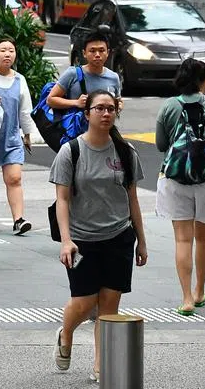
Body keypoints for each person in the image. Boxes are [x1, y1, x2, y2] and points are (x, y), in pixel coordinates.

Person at [51, 90, 146, 382]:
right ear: (87, 113)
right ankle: (65, 333)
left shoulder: (126, 152)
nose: (106, 114)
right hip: (82, 240)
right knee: (83, 301)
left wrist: (141, 240)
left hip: (118, 236)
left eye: (110, 109)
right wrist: (66, 240)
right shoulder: (72, 151)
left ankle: (101, 364)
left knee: (109, 305)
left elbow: (132, 199)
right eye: (99, 108)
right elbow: (62, 200)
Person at [154, 58, 205, 314]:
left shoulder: (168, 106)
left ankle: (186, 298)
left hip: (176, 178)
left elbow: (161, 144)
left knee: (182, 240)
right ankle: (199, 291)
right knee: (204, 239)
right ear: (203, 82)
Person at [0, 36, 38, 236]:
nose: (7, 54)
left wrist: (27, 134)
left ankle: (18, 220)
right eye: (3, 50)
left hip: (12, 137)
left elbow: (25, 110)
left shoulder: (20, 80)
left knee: (14, 178)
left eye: (11, 50)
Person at [47, 30, 122, 114]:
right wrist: (76, 103)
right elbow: (51, 100)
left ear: (107, 53)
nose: (97, 55)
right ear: (84, 53)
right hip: (77, 125)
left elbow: (118, 101)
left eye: (101, 50)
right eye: (92, 51)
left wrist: (117, 106)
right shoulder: (72, 73)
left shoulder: (114, 77)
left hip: (103, 126)